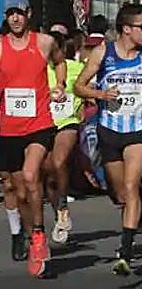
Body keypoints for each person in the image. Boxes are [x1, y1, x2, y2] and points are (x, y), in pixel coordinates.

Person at [73, 3, 142, 274]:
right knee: (120, 194)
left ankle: (125, 252)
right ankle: (139, 200)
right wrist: (101, 95)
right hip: (109, 130)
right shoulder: (103, 53)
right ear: (126, 29)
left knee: (130, 187)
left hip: (139, 131)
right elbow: (78, 86)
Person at [0, 0, 67, 277]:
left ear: (29, 13)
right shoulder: (0, 47)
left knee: (30, 176)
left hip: (39, 123)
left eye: (19, 12)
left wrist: (60, 84)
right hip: (7, 127)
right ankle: (30, 234)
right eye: (10, 13)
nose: (15, 18)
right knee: (18, 190)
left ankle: (38, 235)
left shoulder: (43, 42)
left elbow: (60, 62)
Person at [44, 30, 83, 244]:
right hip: (44, 124)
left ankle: (64, 205)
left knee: (59, 162)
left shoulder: (75, 68)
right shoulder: (39, 70)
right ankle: (59, 210)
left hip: (68, 123)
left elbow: (87, 86)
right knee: (48, 177)